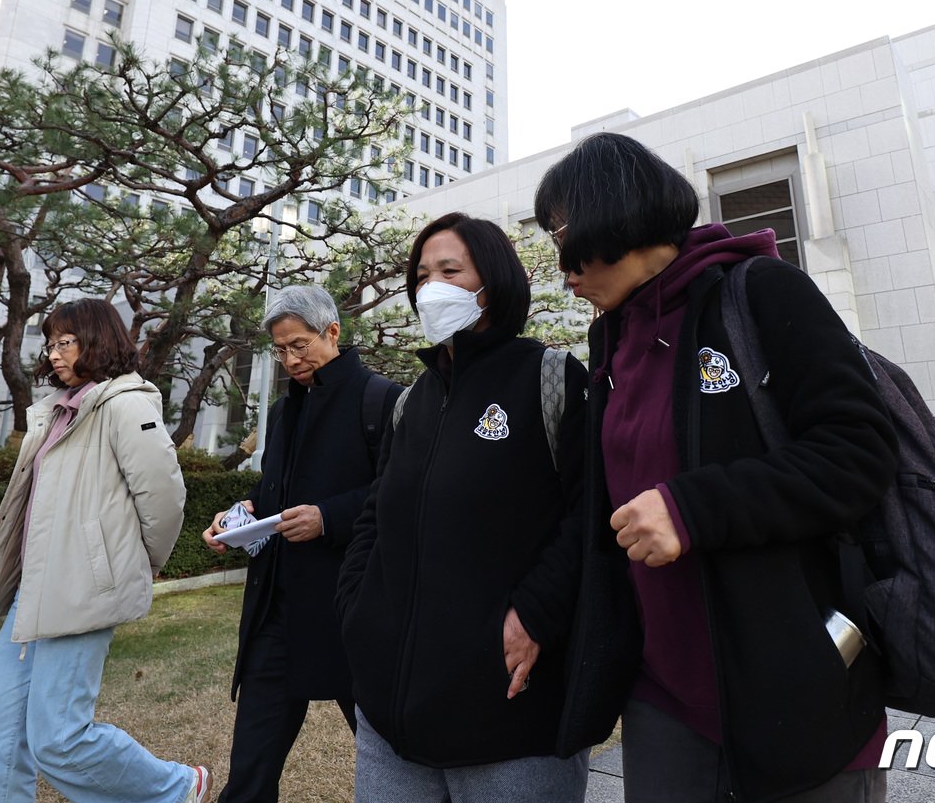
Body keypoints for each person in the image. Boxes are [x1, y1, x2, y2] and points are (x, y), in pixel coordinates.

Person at [533, 133, 899, 803]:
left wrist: (692, 507)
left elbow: (859, 450)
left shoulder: (762, 292)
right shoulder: (608, 338)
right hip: (663, 700)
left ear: (608, 213)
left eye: (561, 234)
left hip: (799, 688)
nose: (564, 270)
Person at [335, 212, 593, 802]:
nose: (432, 288)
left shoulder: (551, 379)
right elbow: (377, 514)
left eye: (450, 271)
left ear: (493, 281)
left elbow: (589, 517)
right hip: (390, 718)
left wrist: (536, 612)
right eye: (422, 275)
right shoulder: (412, 402)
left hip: (509, 715)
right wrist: (358, 611)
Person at [0, 299, 205, 803]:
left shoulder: (125, 403)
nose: (54, 353)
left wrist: (132, 564)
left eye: (64, 342)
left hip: (83, 589)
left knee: (59, 740)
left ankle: (177, 790)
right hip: (37, 589)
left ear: (97, 340)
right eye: (50, 343)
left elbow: (164, 498)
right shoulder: (60, 409)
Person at [201, 285, 400, 803]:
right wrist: (236, 514)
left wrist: (328, 517)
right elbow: (274, 490)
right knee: (250, 767)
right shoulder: (284, 411)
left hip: (350, 607)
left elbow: (401, 493)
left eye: (300, 344)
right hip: (276, 608)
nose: (290, 359)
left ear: (332, 332)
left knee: (396, 761)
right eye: (280, 349)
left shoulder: (383, 398)